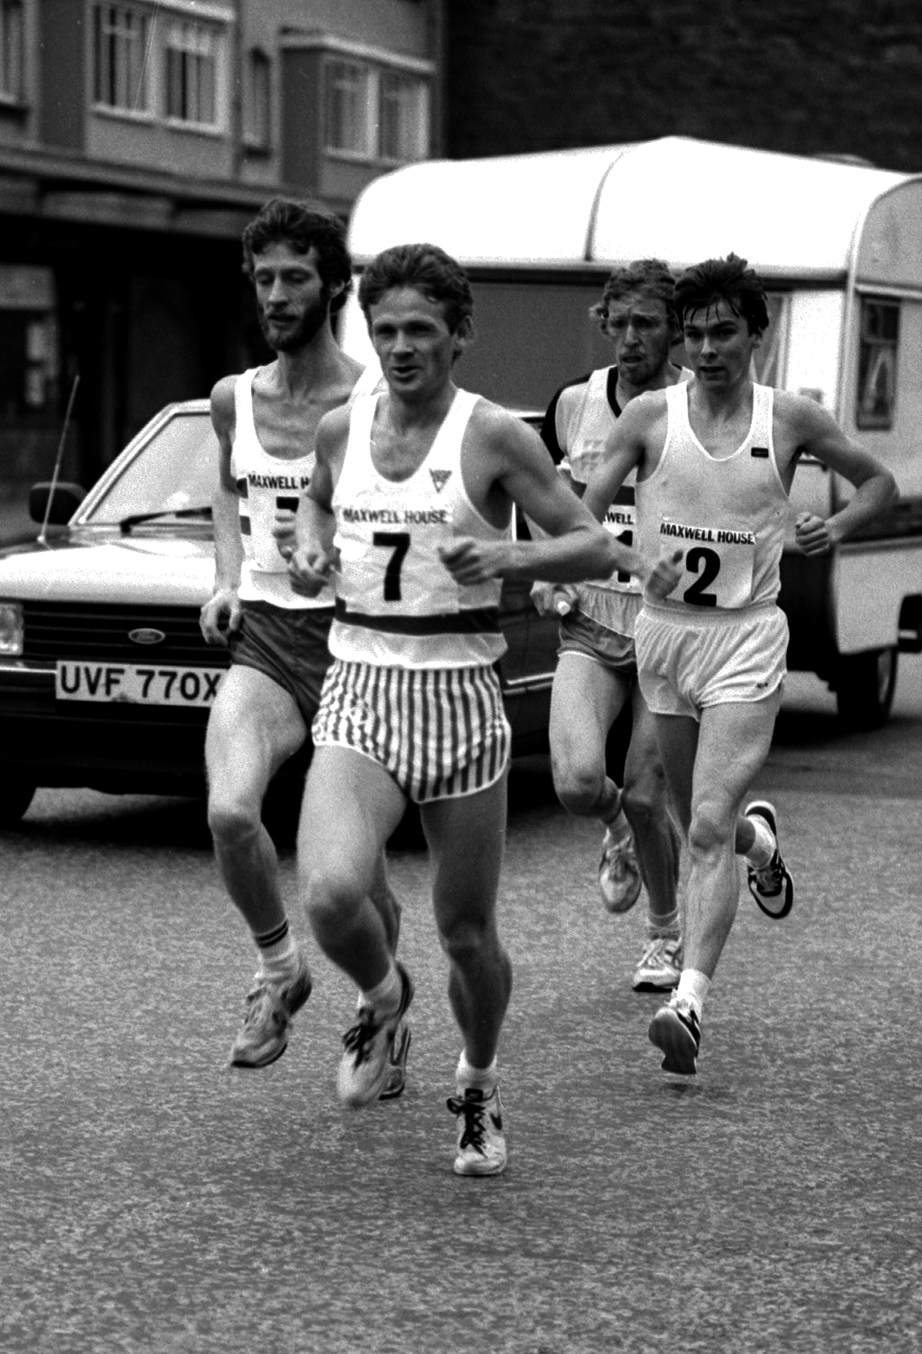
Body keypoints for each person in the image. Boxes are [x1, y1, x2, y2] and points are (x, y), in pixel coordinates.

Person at [289, 242, 617, 1176]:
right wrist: (312, 546)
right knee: (329, 892)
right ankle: (385, 997)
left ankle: (476, 1082)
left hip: (460, 697)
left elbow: (591, 545)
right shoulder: (340, 430)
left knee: (467, 933)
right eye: (384, 330)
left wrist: (510, 560)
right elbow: (314, 505)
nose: (400, 348)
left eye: (420, 331)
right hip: (361, 685)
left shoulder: (492, 437)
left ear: (459, 336)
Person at [583, 253, 898, 1075]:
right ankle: (761, 845)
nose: (707, 348)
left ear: (758, 333)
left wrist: (841, 527)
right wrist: (620, 553)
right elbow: (581, 517)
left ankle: (689, 1003)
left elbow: (879, 483)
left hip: (746, 637)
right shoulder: (649, 417)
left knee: (706, 825)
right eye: (693, 335)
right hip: (662, 636)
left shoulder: (788, 419)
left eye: (724, 331)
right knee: (703, 826)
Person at [199, 197, 405, 1090]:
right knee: (230, 813)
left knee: (357, 881)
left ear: (333, 288)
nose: (276, 295)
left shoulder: (374, 398)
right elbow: (226, 488)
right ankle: (278, 968)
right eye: (263, 279)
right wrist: (225, 574)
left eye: (294, 278)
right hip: (270, 641)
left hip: (359, 648)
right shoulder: (230, 399)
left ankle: (379, 1010)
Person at [533, 260, 688, 993]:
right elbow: (557, 502)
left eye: (646, 324)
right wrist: (548, 569)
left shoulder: (700, 407)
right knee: (574, 781)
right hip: (592, 619)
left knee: (649, 792)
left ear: (675, 330)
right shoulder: (573, 404)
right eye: (618, 323)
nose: (629, 338)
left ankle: (664, 936)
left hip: (672, 629)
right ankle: (617, 835)